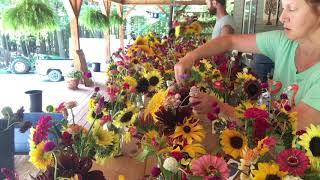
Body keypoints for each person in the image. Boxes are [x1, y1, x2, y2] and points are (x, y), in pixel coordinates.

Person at [174, 0, 320, 130]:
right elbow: (229, 41)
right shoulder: (284, 42)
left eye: (292, 8)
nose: (282, 17)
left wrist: (219, 107)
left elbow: (285, 125)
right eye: (282, 8)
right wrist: (191, 56)